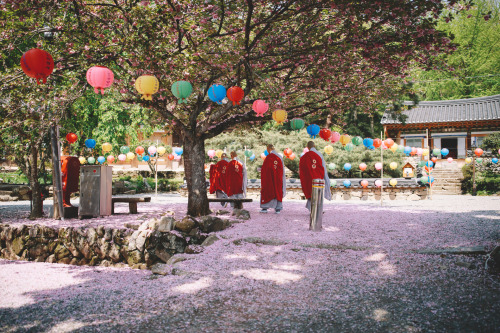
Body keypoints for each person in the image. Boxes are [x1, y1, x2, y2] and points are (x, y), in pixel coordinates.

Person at [299, 141, 331, 211]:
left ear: (307, 147)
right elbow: (323, 168)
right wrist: (325, 179)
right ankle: (317, 210)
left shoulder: (304, 156)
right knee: (318, 194)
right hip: (318, 177)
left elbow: (302, 170)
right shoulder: (319, 154)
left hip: (309, 178)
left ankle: (312, 209)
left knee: (311, 193)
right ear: (314, 146)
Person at [260, 144, 286, 214]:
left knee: (267, 190)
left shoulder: (268, 157)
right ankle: (278, 208)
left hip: (269, 178)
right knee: (278, 190)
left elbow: (265, 170)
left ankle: (265, 207)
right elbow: (282, 170)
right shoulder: (279, 157)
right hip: (278, 178)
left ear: (268, 149)